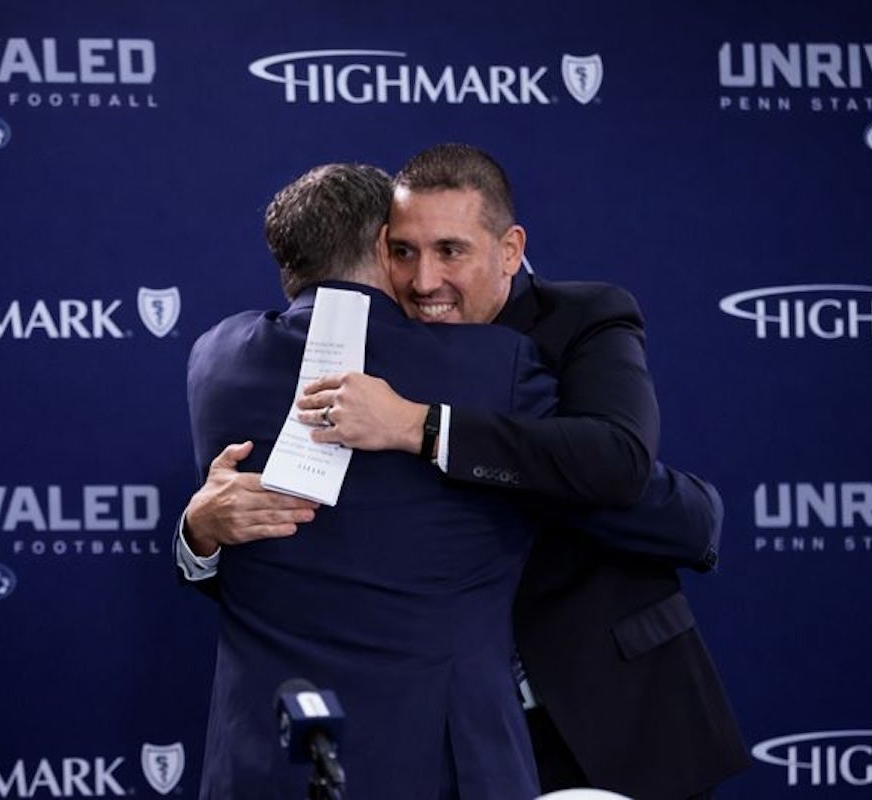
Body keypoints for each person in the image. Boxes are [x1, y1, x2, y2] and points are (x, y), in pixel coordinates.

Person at [181, 145, 749, 800]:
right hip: (451, 736)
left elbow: (652, 496)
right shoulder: (390, 361)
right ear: (377, 250)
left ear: (509, 251)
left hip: (593, 720)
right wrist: (197, 529)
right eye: (404, 252)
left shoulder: (566, 329)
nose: (424, 282)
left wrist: (421, 428)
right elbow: (295, 544)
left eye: (450, 251)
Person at [187, 162, 557, 799]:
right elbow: (601, 478)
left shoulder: (217, 359)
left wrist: (194, 533)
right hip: (442, 763)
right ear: (387, 247)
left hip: (269, 761)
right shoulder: (496, 366)